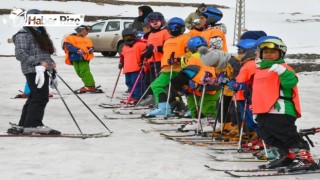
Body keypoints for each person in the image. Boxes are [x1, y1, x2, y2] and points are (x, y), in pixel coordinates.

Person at [252, 38, 317, 171]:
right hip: (264, 111)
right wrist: (255, 110)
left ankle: (304, 159)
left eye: (273, 52)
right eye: (266, 52)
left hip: (280, 109)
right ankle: (288, 156)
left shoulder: (284, 68)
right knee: (268, 136)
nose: (268, 55)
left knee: (287, 135)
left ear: (281, 54)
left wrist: (282, 71)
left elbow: (290, 83)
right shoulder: (260, 71)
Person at [8, 9, 60, 134]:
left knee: (34, 96)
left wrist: (50, 62)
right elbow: (20, 54)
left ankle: (25, 124)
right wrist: (38, 63)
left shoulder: (39, 33)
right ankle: (33, 124)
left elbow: (41, 53)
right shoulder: (23, 34)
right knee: (41, 96)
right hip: (33, 69)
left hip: (42, 69)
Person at [171, 36, 221, 132]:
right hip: (202, 84)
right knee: (198, 104)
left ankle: (212, 122)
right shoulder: (209, 55)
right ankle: (200, 121)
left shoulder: (194, 57)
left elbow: (192, 71)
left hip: (206, 85)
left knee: (206, 104)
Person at [147, 17, 190, 116]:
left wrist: (178, 59)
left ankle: (164, 108)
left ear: (182, 28)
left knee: (157, 85)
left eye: (176, 27)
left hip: (178, 68)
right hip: (166, 68)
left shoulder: (186, 38)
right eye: (170, 27)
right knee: (165, 87)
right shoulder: (167, 41)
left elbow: (190, 53)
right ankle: (167, 106)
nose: (173, 29)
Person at [139, 12, 171, 106]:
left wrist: (156, 48)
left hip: (161, 61)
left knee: (160, 82)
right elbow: (149, 47)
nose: (155, 24)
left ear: (162, 22)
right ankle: (155, 99)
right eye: (153, 22)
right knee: (152, 81)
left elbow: (167, 46)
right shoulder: (150, 35)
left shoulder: (165, 32)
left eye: (157, 21)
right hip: (152, 61)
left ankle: (165, 101)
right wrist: (146, 53)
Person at [64, 25, 99, 93]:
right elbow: (68, 46)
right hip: (74, 57)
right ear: (81, 30)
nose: (87, 33)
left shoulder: (87, 39)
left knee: (84, 71)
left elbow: (90, 47)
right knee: (79, 72)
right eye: (86, 31)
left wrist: (91, 49)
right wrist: (77, 50)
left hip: (84, 57)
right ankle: (88, 84)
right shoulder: (69, 38)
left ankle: (90, 85)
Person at [118, 28, 147, 104]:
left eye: (130, 37)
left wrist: (143, 62)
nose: (128, 39)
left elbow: (145, 55)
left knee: (136, 83)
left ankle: (138, 97)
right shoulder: (125, 47)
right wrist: (121, 63)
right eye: (126, 38)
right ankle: (132, 95)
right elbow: (122, 56)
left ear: (135, 36)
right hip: (127, 68)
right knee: (129, 82)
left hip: (137, 68)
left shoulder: (141, 44)